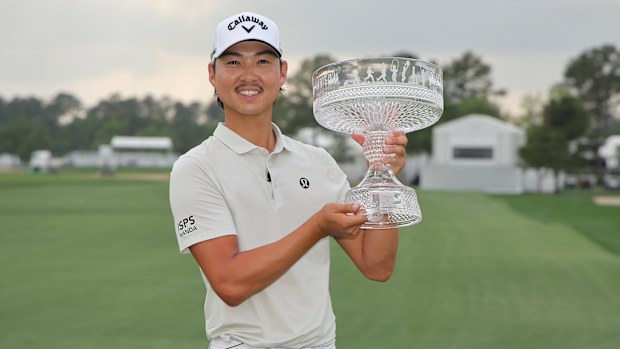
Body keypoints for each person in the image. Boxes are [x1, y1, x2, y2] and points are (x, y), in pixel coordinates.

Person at [169, 11, 409, 349]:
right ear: (213, 73)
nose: (249, 75)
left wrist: (383, 179)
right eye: (233, 62)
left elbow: (377, 265)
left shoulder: (318, 162)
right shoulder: (195, 168)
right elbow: (230, 284)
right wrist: (316, 227)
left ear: (282, 72)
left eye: (263, 61)